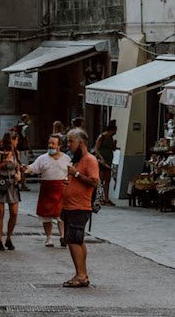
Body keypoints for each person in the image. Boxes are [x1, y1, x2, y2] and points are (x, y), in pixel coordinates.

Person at [61, 128, 100, 288]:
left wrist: (76, 174)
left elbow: (94, 181)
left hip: (79, 206)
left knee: (74, 240)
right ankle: (81, 273)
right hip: (70, 206)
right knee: (76, 240)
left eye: (71, 141)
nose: (69, 145)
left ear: (81, 143)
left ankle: (81, 275)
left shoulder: (89, 160)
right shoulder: (78, 159)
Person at [25, 134, 69, 246]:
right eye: (49, 143)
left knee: (61, 215)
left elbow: (71, 173)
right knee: (46, 216)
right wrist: (26, 168)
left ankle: (63, 237)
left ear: (60, 145)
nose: (50, 145)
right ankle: (49, 238)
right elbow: (33, 168)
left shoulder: (66, 159)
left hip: (61, 189)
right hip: (47, 189)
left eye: (53, 143)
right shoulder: (42, 158)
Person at [0, 130, 23, 251]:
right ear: (11, 140)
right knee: (0, 213)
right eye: (16, 139)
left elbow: (18, 168)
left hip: (13, 184)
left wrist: (19, 174)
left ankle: (9, 238)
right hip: (1, 184)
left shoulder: (17, 153)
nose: (17, 142)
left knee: (14, 213)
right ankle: (0, 240)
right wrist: (3, 163)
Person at [93, 121, 117, 205]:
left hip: (109, 161)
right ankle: (99, 198)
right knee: (101, 180)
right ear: (111, 130)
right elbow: (96, 148)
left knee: (108, 180)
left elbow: (113, 149)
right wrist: (101, 158)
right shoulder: (102, 136)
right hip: (101, 161)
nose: (115, 132)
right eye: (115, 130)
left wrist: (114, 144)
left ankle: (106, 198)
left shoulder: (111, 138)